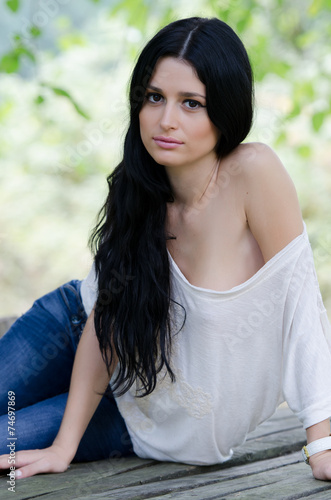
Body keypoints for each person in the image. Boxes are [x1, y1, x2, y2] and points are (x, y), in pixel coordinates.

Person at [1, 16, 331, 482]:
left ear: (226, 110)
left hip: (135, 416)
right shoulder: (140, 194)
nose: (166, 120)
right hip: (75, 328)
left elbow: (302, 308)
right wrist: (63, 446)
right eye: (155, 97)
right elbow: (105, 320)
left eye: (191, 103)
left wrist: (322, 444)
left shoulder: (252, 174)